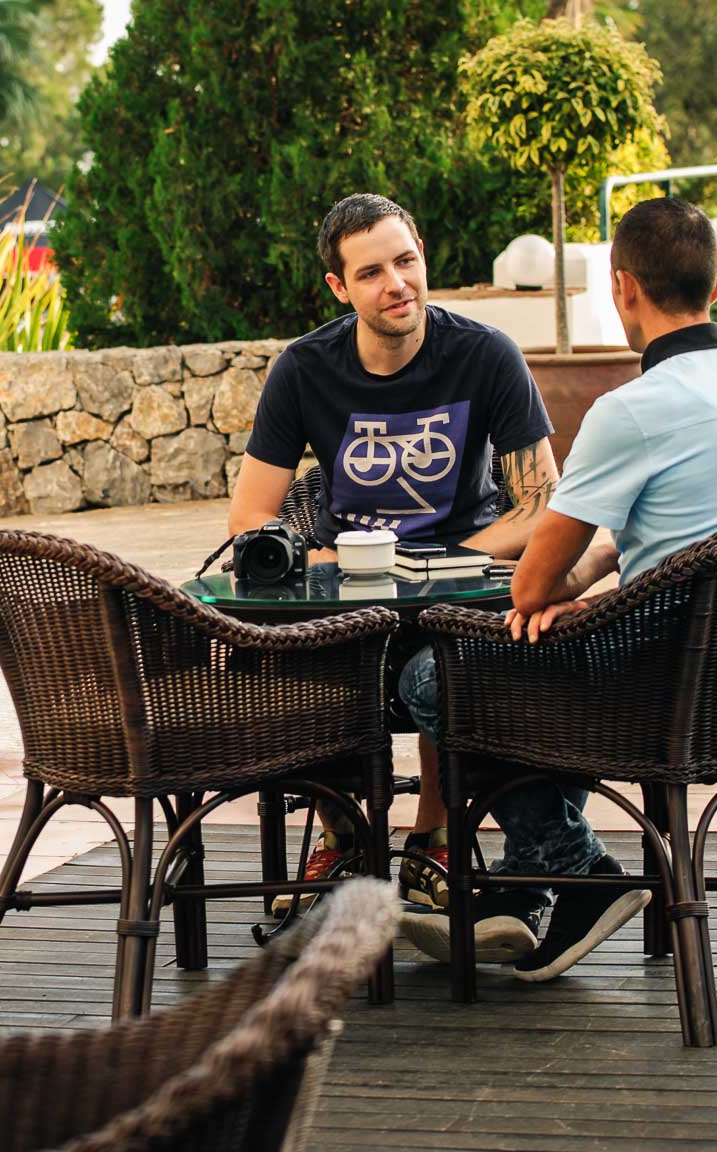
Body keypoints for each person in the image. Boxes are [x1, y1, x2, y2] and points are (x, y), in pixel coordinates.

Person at [398, 196, 717, 981]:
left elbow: (526, 589)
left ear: (622, 289)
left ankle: (571, 869)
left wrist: (558, 588)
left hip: (657, 694)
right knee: (525, 658)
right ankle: (542, 878)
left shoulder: (632, 410)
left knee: (437, 674)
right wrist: (591, 574)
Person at [228, 193, 561, 919]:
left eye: (406, 261)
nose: (397, 284)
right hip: (352, 579)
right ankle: (340, 830)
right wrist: (324, 561)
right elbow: (252, 515)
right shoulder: (305, 368)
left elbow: (539, 502)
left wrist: (444, 561)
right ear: (340, 289)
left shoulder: (485, 354)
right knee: (307, 646)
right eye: (372, 272)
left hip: (462, 584)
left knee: (440, 652)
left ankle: (432, 836)